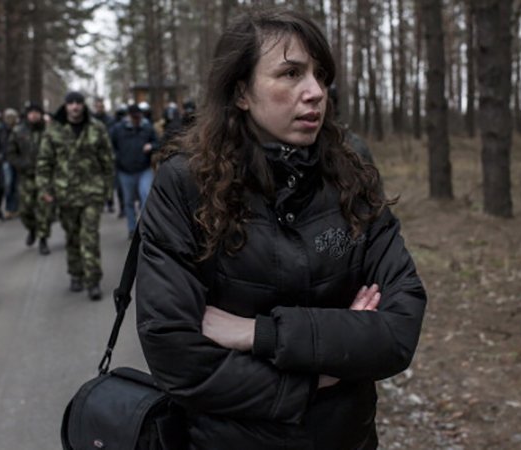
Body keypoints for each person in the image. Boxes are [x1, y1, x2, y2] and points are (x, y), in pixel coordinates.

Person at [135, 9, 426, 449]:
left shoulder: (351, 170)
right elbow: (176, 357)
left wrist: (256, 333)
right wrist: (324, 373)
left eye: (319, 74)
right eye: (290, 74)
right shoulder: (186, 183)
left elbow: (398, 331)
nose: (315, 92)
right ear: (241, 92)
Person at [36, 92, 115, 300]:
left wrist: (108, 189)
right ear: (66, 106)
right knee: (72, 236)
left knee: (90, 236)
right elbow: (44, 162)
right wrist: (45, 189)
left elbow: (107, 160)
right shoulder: (54, 131)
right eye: (71, 103)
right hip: (66, 193)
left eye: (78, 103)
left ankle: (93, 280)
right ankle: (76, 273)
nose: (75, 107)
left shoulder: (96, 128)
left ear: (83, 105)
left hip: (92, 192)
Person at [6, 102, 51, 255]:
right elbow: (11, 153)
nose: (34, 115)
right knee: (25, 209)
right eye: (31, 113)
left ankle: (43, 239)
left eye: (36, 112)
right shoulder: (18, 131)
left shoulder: (48, 131)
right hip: (26, 176)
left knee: (43, 208)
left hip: (44, 177)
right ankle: (32, 229)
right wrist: (21, 164)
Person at [110, 103, 158, 237]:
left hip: (144, 169)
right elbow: (110, 145)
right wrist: (117, 158)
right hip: (125, 171)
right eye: (134, 117)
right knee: (128, 201)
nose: (136, 120)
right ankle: (132, 229)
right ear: (129, 116)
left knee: (146, 197)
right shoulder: (118, 129)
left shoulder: (147, 127)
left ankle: (145, 228)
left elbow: (158, 142)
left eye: (138, 117)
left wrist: (151, 146)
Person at [0, 108, 21, 219]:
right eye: (7, 117)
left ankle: (16, 208)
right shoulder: (2, 130)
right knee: (8, 185)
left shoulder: (19, 130)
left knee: (17, 185)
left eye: (11, 117)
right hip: (6, 160)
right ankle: (9, 208)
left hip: (17, 160)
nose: (9, 119)